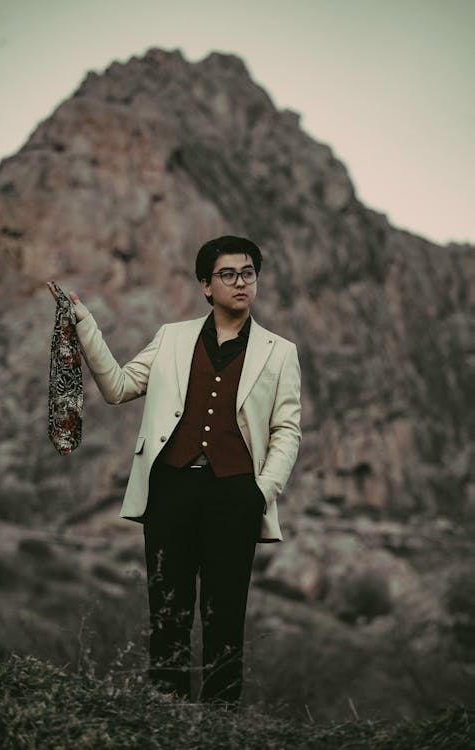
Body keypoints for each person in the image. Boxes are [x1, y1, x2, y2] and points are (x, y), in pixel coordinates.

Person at [47, 235, 302, 707]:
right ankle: (165, 716)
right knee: (169, 613)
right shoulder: (172, 336)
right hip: (171, 490)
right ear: (206, 285)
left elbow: (287, 431)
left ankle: (219, 724)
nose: (240, 282)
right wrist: (85, 327)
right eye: (228, 274)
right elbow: (119, 387)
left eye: (248, 273)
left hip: (236, 496)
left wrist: (261, 492)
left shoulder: (280, 351)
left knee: (225, 617)